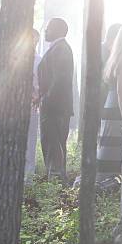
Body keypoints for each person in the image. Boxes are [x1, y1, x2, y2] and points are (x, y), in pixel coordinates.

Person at [0, 29, 42, 182]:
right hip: (13, 108)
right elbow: (1, 76)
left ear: (35, 41)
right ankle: (12, 178)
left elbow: (42, 85)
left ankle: (28, 181)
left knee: (29, 146)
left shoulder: (39, 62)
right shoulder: (16, 61)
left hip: (31, 108)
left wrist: (37, 96)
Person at [35, 18, 74, 182]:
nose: (45, 31)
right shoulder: (58, 49)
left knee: (53, 147)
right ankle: (57, 183)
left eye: (48, 28)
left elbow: (60, 80)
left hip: (54, 108)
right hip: (56, 107)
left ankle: (56, 184)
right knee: (55, 147)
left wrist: (46, 99)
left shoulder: (61, 49)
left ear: (58, 30)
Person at [96, 25, 122, 182]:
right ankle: (106, 179)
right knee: (113, 143)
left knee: (110, 142)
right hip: (117, 108)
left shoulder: (115, 60)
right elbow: (121, 91)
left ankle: (107, 178)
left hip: (110, 105)